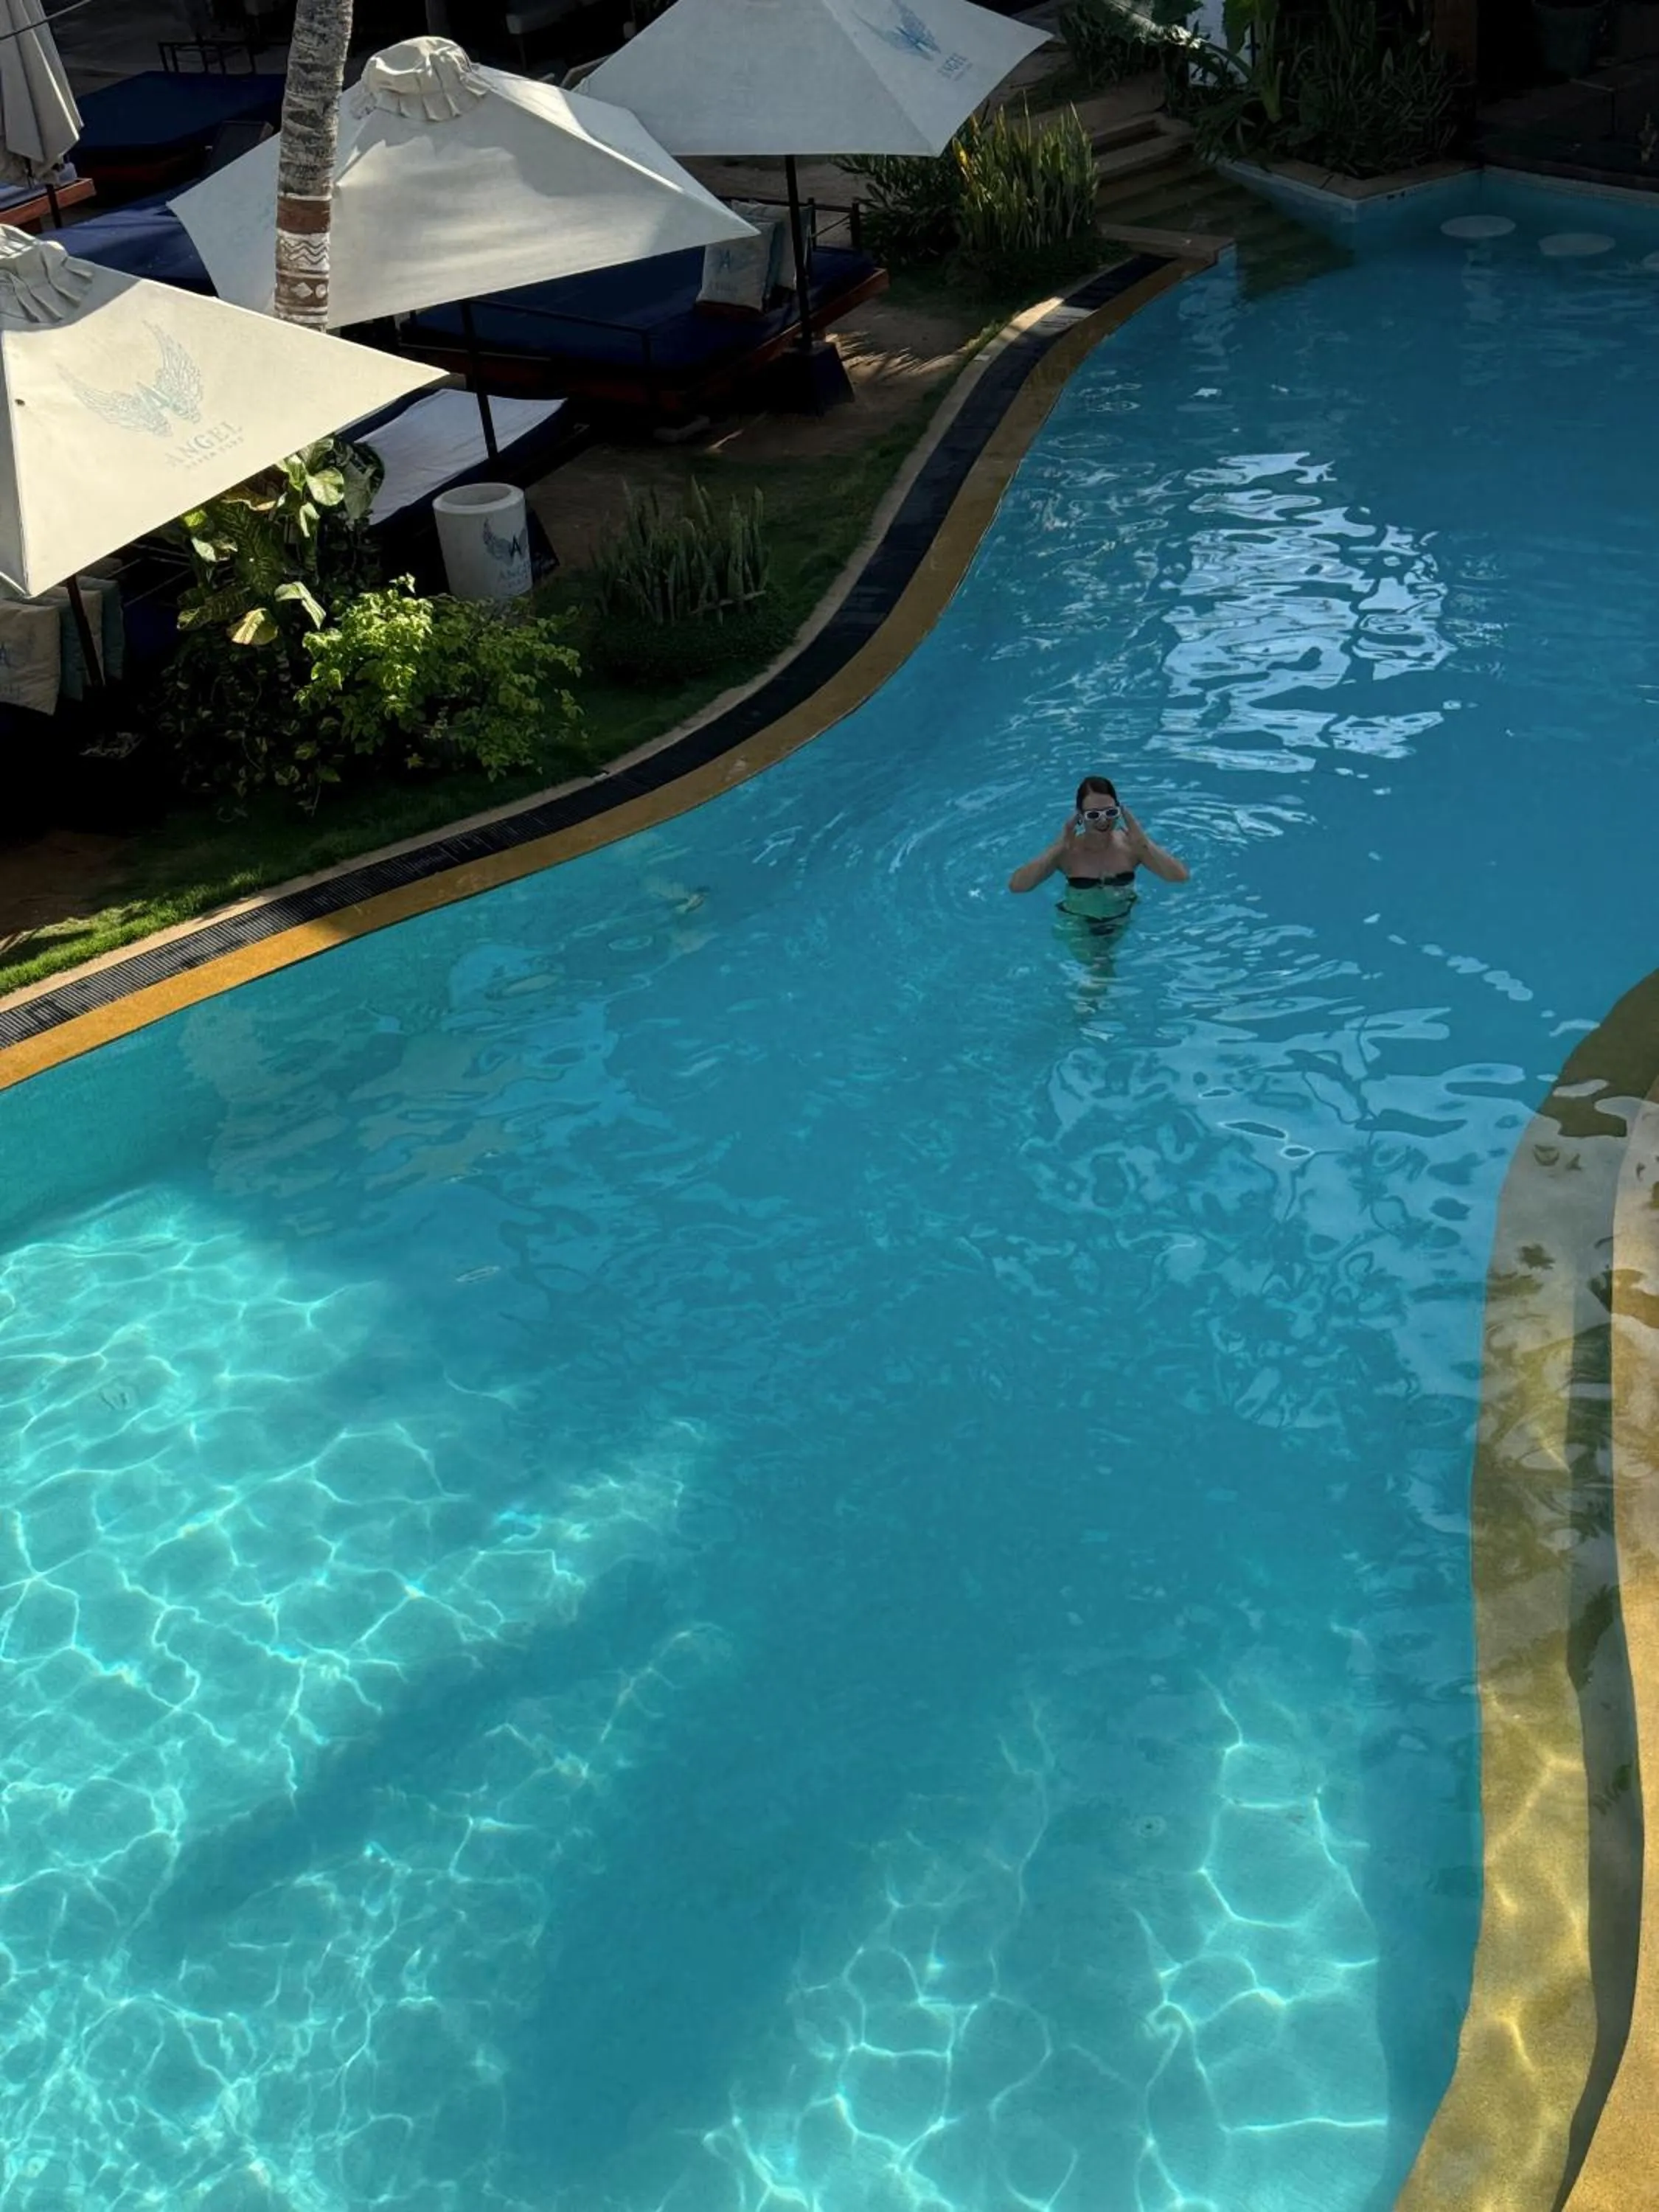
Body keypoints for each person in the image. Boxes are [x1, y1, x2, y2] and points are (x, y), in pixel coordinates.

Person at [1006, 774, 1189, 931]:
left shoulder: (1132, 847)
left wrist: (1145, 843)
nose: (1103, 821)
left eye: (1110, 812)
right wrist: (1056, 848)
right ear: (1080, 816)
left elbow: (1179, 877)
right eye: (1093, 815)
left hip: (1122, 920)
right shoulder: (1067, 851)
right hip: (1078, 924)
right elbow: (1018, 887)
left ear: (1119, 811)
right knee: (1099, 969)